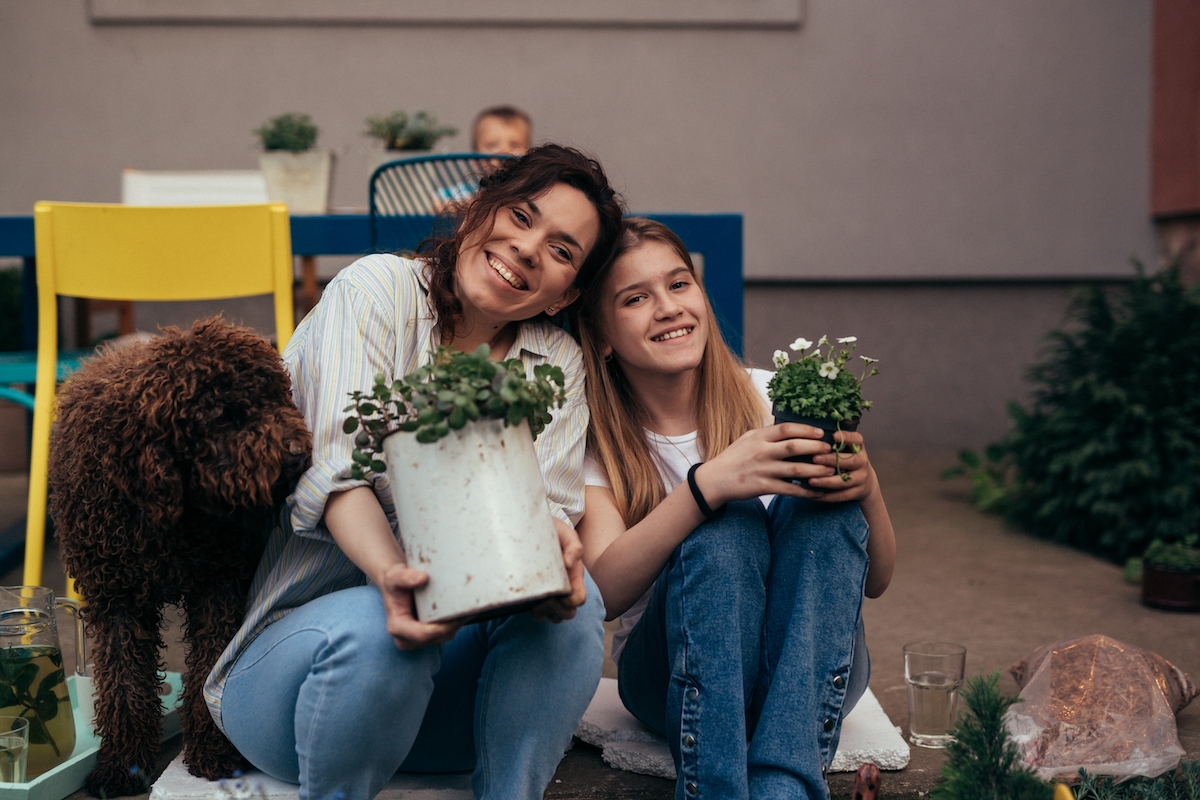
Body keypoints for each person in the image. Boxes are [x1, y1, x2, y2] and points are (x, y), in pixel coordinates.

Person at [205, 145, 625, 800]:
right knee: (381, 628)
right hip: (295, 689)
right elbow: (336, 472)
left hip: (451, 712)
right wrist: (393, 578)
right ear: (475, 209)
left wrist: (553, 544)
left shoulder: (553, 361)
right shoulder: (376, 292)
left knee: (574, 606)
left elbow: (537, 512)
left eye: (562, 250)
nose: (526, 248)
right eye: (520, 215)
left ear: (564, 294)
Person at [573, 218, 896, 800]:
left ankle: (784, 788)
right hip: (673, 675)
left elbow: (876, 579)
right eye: (636, 298)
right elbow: (602, 594)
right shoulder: (600, 442)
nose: (668, 307)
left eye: (679, 284)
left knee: (826, 513)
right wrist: (705, 488)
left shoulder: (774, 397)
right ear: (599, 334)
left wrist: (866, 489)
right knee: (728, 529)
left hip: (808, 667)